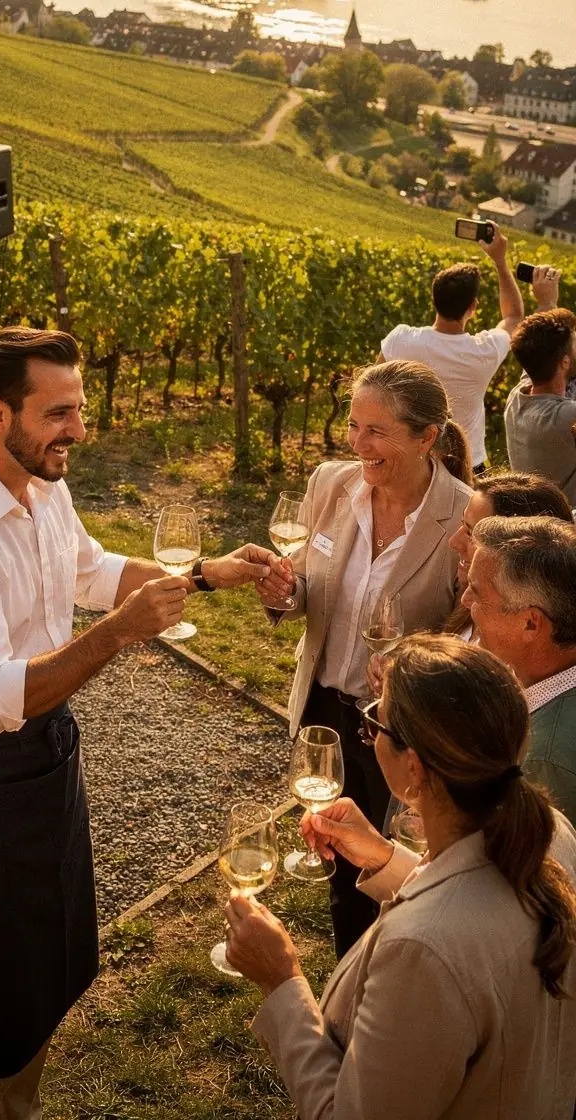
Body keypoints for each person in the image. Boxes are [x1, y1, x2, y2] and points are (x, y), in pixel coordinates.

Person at [0, 326, 289, 1120]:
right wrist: (119, 634)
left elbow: (92, 570)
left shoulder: (43, 484)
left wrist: (206, 576)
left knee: (44, 961)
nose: (78, 429)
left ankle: (19, 1105)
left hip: (44, 752)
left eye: (79, 408)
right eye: (59, 413)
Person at [224, 636, 576, 1120]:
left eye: (375, 722)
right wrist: (386, 859)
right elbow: (476, 902)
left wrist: (280, 977)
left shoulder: (423, 953)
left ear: (414, 767)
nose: (367, 733)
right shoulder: (551, 833)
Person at [258, 360, 471, 956]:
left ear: (426, 437)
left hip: (403, 725)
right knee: (337, 852)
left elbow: (470, 629)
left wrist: (415, 659)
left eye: (376, 431)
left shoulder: (462, 516)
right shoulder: (331, 484)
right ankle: (351, 977)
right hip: (325, 707)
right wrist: (286, 593)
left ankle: (400, 973)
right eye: (354, 425)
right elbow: (309, 583)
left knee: (400, 864)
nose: (357, 443)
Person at [379, 227, 534, 471]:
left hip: (411, 459)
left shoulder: (400, 339)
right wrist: (500, 261)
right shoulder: (485, 351)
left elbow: (372, 388)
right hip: (464, 465)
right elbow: (514, 316)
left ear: (434, 300)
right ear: (473, 307)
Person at [463, 514, 576, 827]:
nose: (465, 600)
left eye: (477, 593)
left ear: (530, 623)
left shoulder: (545, 758)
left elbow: (525, 857)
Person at [446, 470, 573, 637]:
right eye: (462, 524)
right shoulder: (470, 602)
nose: (454, 542)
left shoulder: (516, 638)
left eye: (472, 534)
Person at [504, 293, 576, 502]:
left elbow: (537, 345)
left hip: (532, 513)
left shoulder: (517, 397)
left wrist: (547, 302)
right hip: (564, 519)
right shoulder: (563, 417)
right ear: (564, 362)